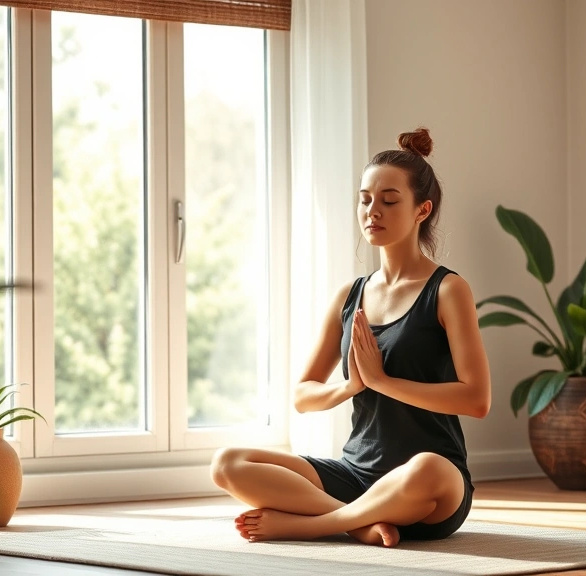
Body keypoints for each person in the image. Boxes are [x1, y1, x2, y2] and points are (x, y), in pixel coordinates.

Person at [209, 127, 492, 547]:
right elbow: (304, 395)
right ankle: (357, 525)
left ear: (421, 210)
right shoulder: (350, 295)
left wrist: (383, 383)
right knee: (228, 463)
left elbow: (476, 399)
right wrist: (351, 387)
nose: (372, 211)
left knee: (428, 468)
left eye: (389, 200)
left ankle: (309, 525)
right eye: (365, 200)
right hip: (355, 474)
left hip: (427, 487)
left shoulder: (448, 290)